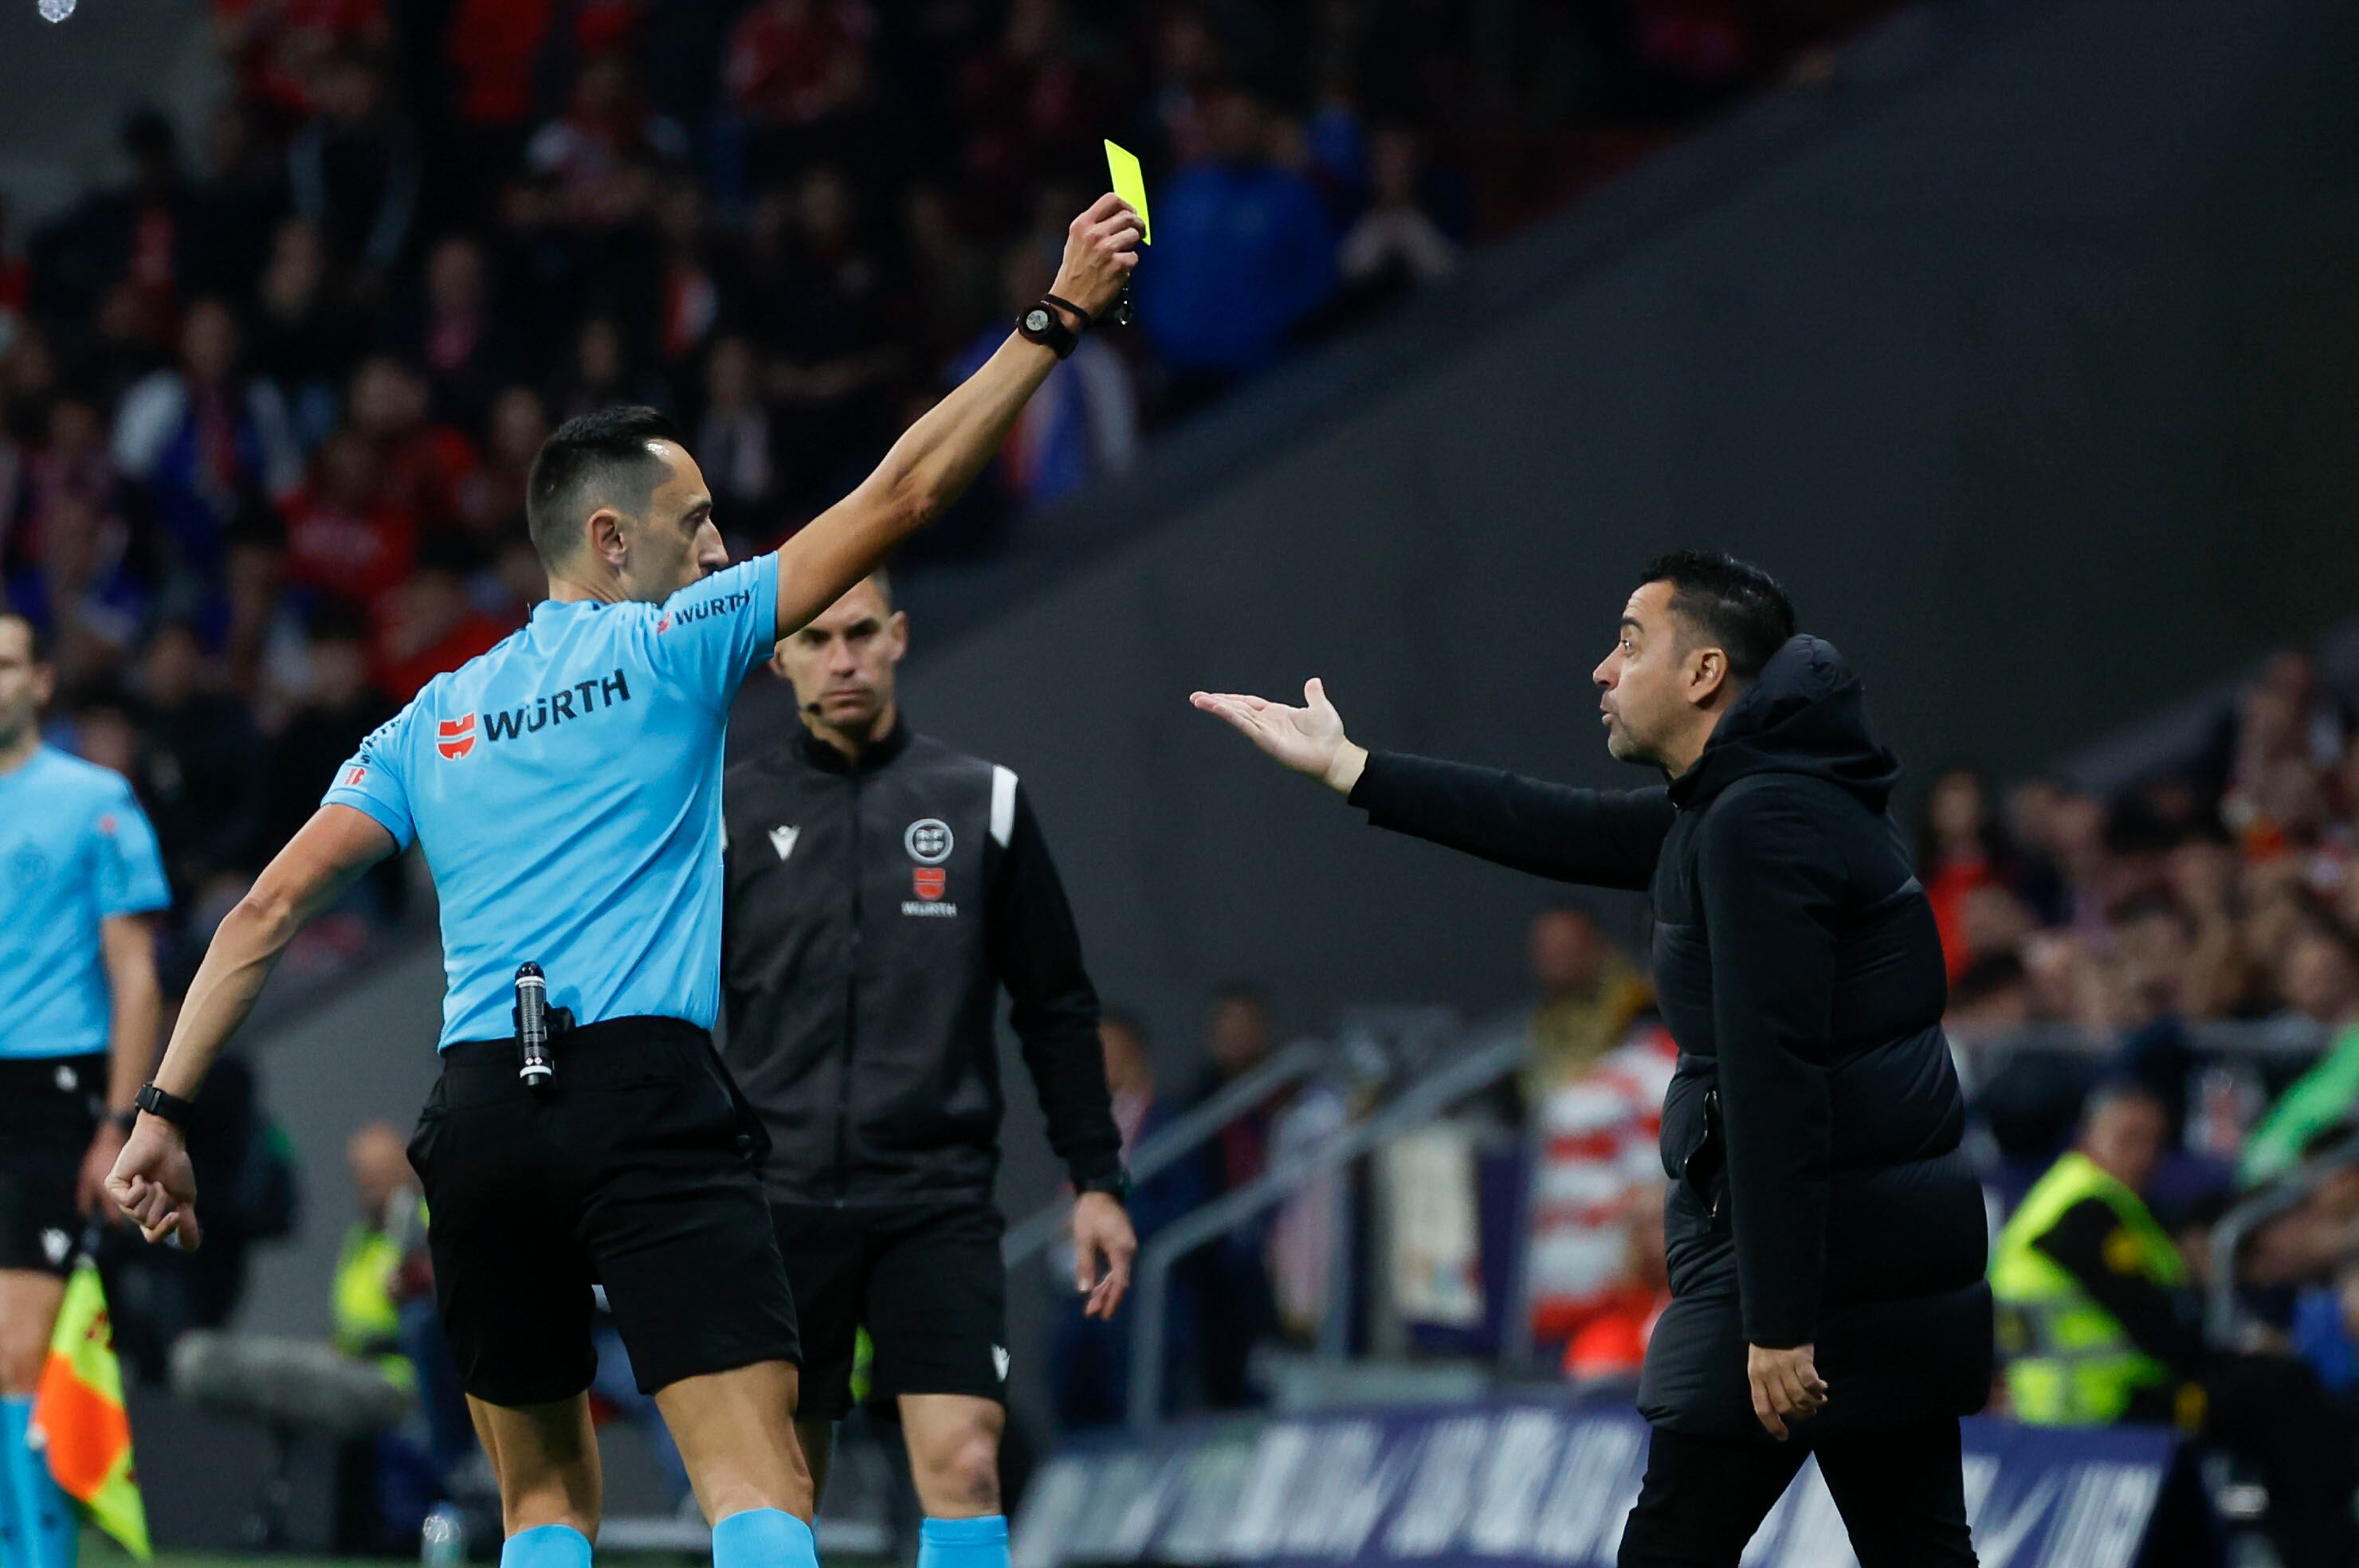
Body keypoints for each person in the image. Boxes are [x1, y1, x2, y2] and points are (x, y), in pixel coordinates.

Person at [104, 194, 1142, 1568]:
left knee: (542, 1507)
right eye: (697, 520)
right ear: (612, 541)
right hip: (644, 1096)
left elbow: (259, 913)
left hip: (478, 1111)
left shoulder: (429, 717)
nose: (720, 550)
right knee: (755, 1480)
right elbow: (902, 496)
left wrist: (162, 1106)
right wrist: (1054, 317)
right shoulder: (674, 643)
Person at [1191, 551, 1990, 1566]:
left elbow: (1773, 1076)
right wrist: (1353, 768)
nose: (1600, 672)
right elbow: (1548, 822)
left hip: (1804, 1280)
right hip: (1876, 1267)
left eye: (1628, 642)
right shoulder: (1758, 803)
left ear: (1704, 674)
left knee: (1671, 1546)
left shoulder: (1758, 824)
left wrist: (1781, 1320)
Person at [719, 571, 1134, 1568]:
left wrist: (1096, 1180)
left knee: (966, 1464)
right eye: (816, 640)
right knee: (778, 1490)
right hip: (772, 1203)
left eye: (862, 633)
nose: (844, 657)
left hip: (933, 1200)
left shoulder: (980, 802)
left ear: (899, 637)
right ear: (780, 661)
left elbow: (1055, 1006)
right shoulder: (726, 810)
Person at [1992, 1080, 2358, 1567]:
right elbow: (2161, 1334)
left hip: (2093, 1399)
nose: (2145, 1155)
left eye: (2154, 1141)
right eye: (2127, 1138)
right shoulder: (2083, 1212)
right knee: (2283, 1390)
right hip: (2106, 1406)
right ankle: (2320, 1553)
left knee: (2274, 1382)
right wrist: (2234, 1358)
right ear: (2087, 1137)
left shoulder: (2085, 1200)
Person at [0, 611, 169, 1568]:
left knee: (22, 1352)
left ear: (42, 682)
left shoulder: (95, 800)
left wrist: (117, 1121)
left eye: (7, 665)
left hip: (50, 1092)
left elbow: (137, 977)